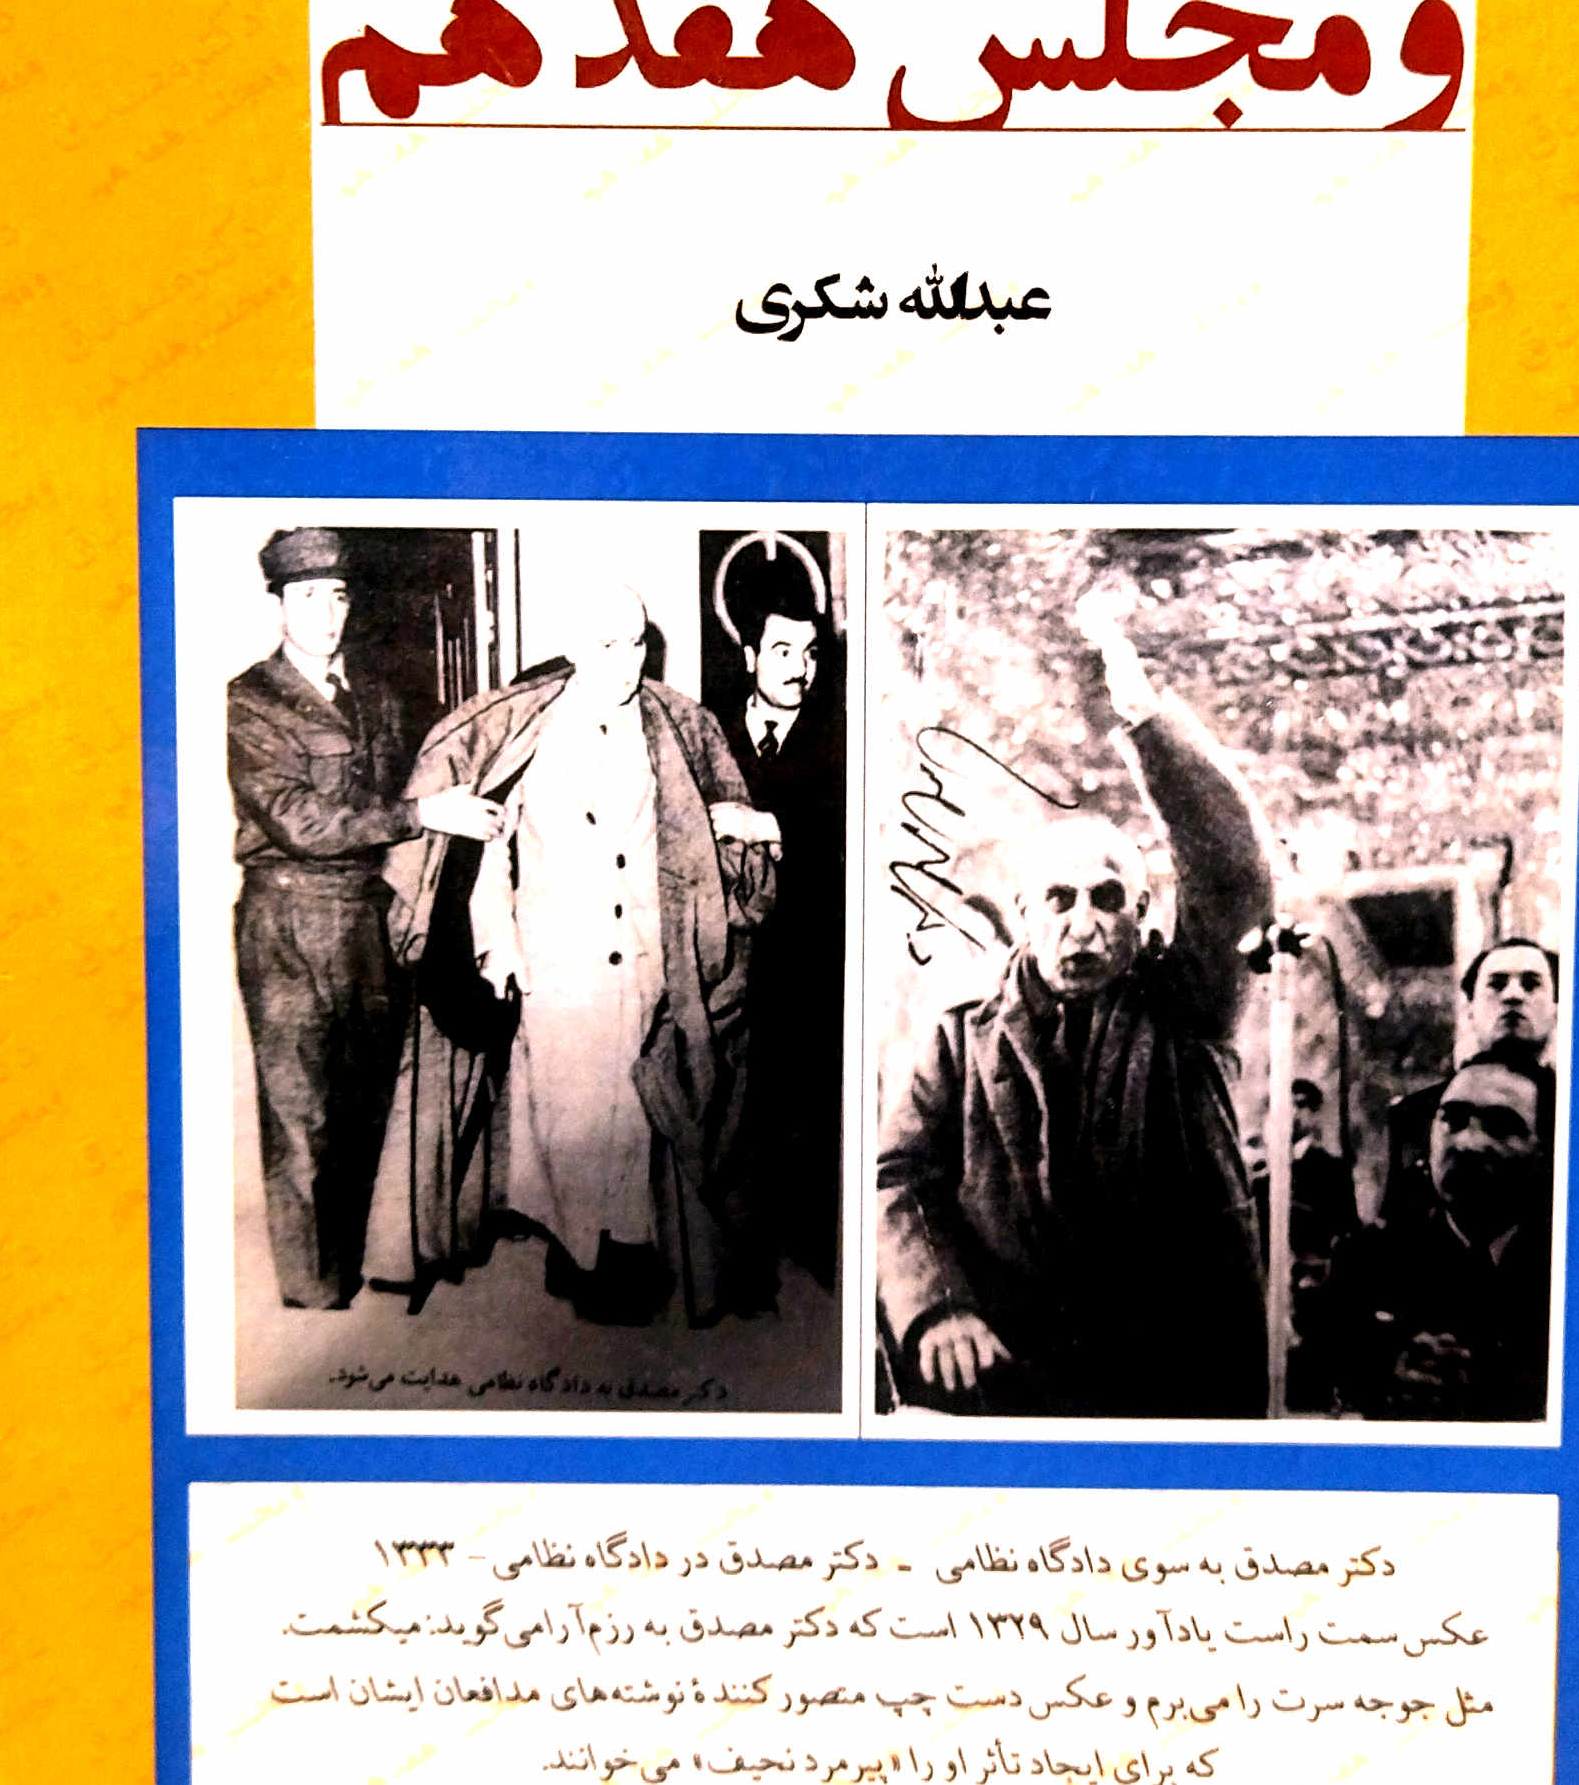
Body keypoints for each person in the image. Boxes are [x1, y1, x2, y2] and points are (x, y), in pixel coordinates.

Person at [876, 593, 1272, 1419]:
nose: (1083, 923)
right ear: (1023, 915)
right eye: (1058, 900)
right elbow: (900, 1179)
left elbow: (1234, 876)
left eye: (1107, 898)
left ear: (1141, 915)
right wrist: (938, 1305)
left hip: (1175, 1380)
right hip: (1014, 1379)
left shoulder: (1188, 1006)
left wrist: (1149, 725)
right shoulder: (959, 1040)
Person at [370, 585, 781, 1322]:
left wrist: (739, 831)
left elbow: (705, 833)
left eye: (636, 644)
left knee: (635, 1115)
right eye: (606, 646)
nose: (626, 663)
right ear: (571, 648)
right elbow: (488, 853)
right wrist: (499, 946)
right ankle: (575, 1245)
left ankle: (617, 1261)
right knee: (564, 1117)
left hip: (647, 956)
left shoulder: (675, 727)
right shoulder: (527, 731)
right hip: (556, 963)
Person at [226, 526, 413, 1310]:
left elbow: (394, 792)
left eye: (338, 597)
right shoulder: (250, 700)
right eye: (308, 597)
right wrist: (416, 816)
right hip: (288, 920)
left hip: (365, 916)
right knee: (300, 1112)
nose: (327, 614)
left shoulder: (378, 698)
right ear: (278, 605)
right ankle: (312, 1297)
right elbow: (301, 821)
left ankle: (349, 1265)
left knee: (364, 1103)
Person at [713, 539, 846, 1293]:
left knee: (808, 1106)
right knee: (734, 1111)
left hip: (808, 954)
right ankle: (741, 1258)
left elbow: (843, 835)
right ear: (750, 657)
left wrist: (763, 824)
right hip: (729, 961)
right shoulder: (713, 738)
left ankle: (815, 1250)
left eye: (811, 653)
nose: (801, 668)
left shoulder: (838, 738)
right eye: (784, 651)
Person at [1330, 1056, 1554, 1420]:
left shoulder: (1573, 1271)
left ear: (1544, 1150)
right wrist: (1390, 1374)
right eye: (1453, 1119)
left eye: (1501, 1125)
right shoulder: (1368, 1261)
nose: (1467, 1142)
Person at [1349, 937, 1561, 1230]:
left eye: (1531, 984)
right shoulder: (1413, 1114)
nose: (1513, 995)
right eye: (1496, 984)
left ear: (1556, 1008)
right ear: (1470, 1009)